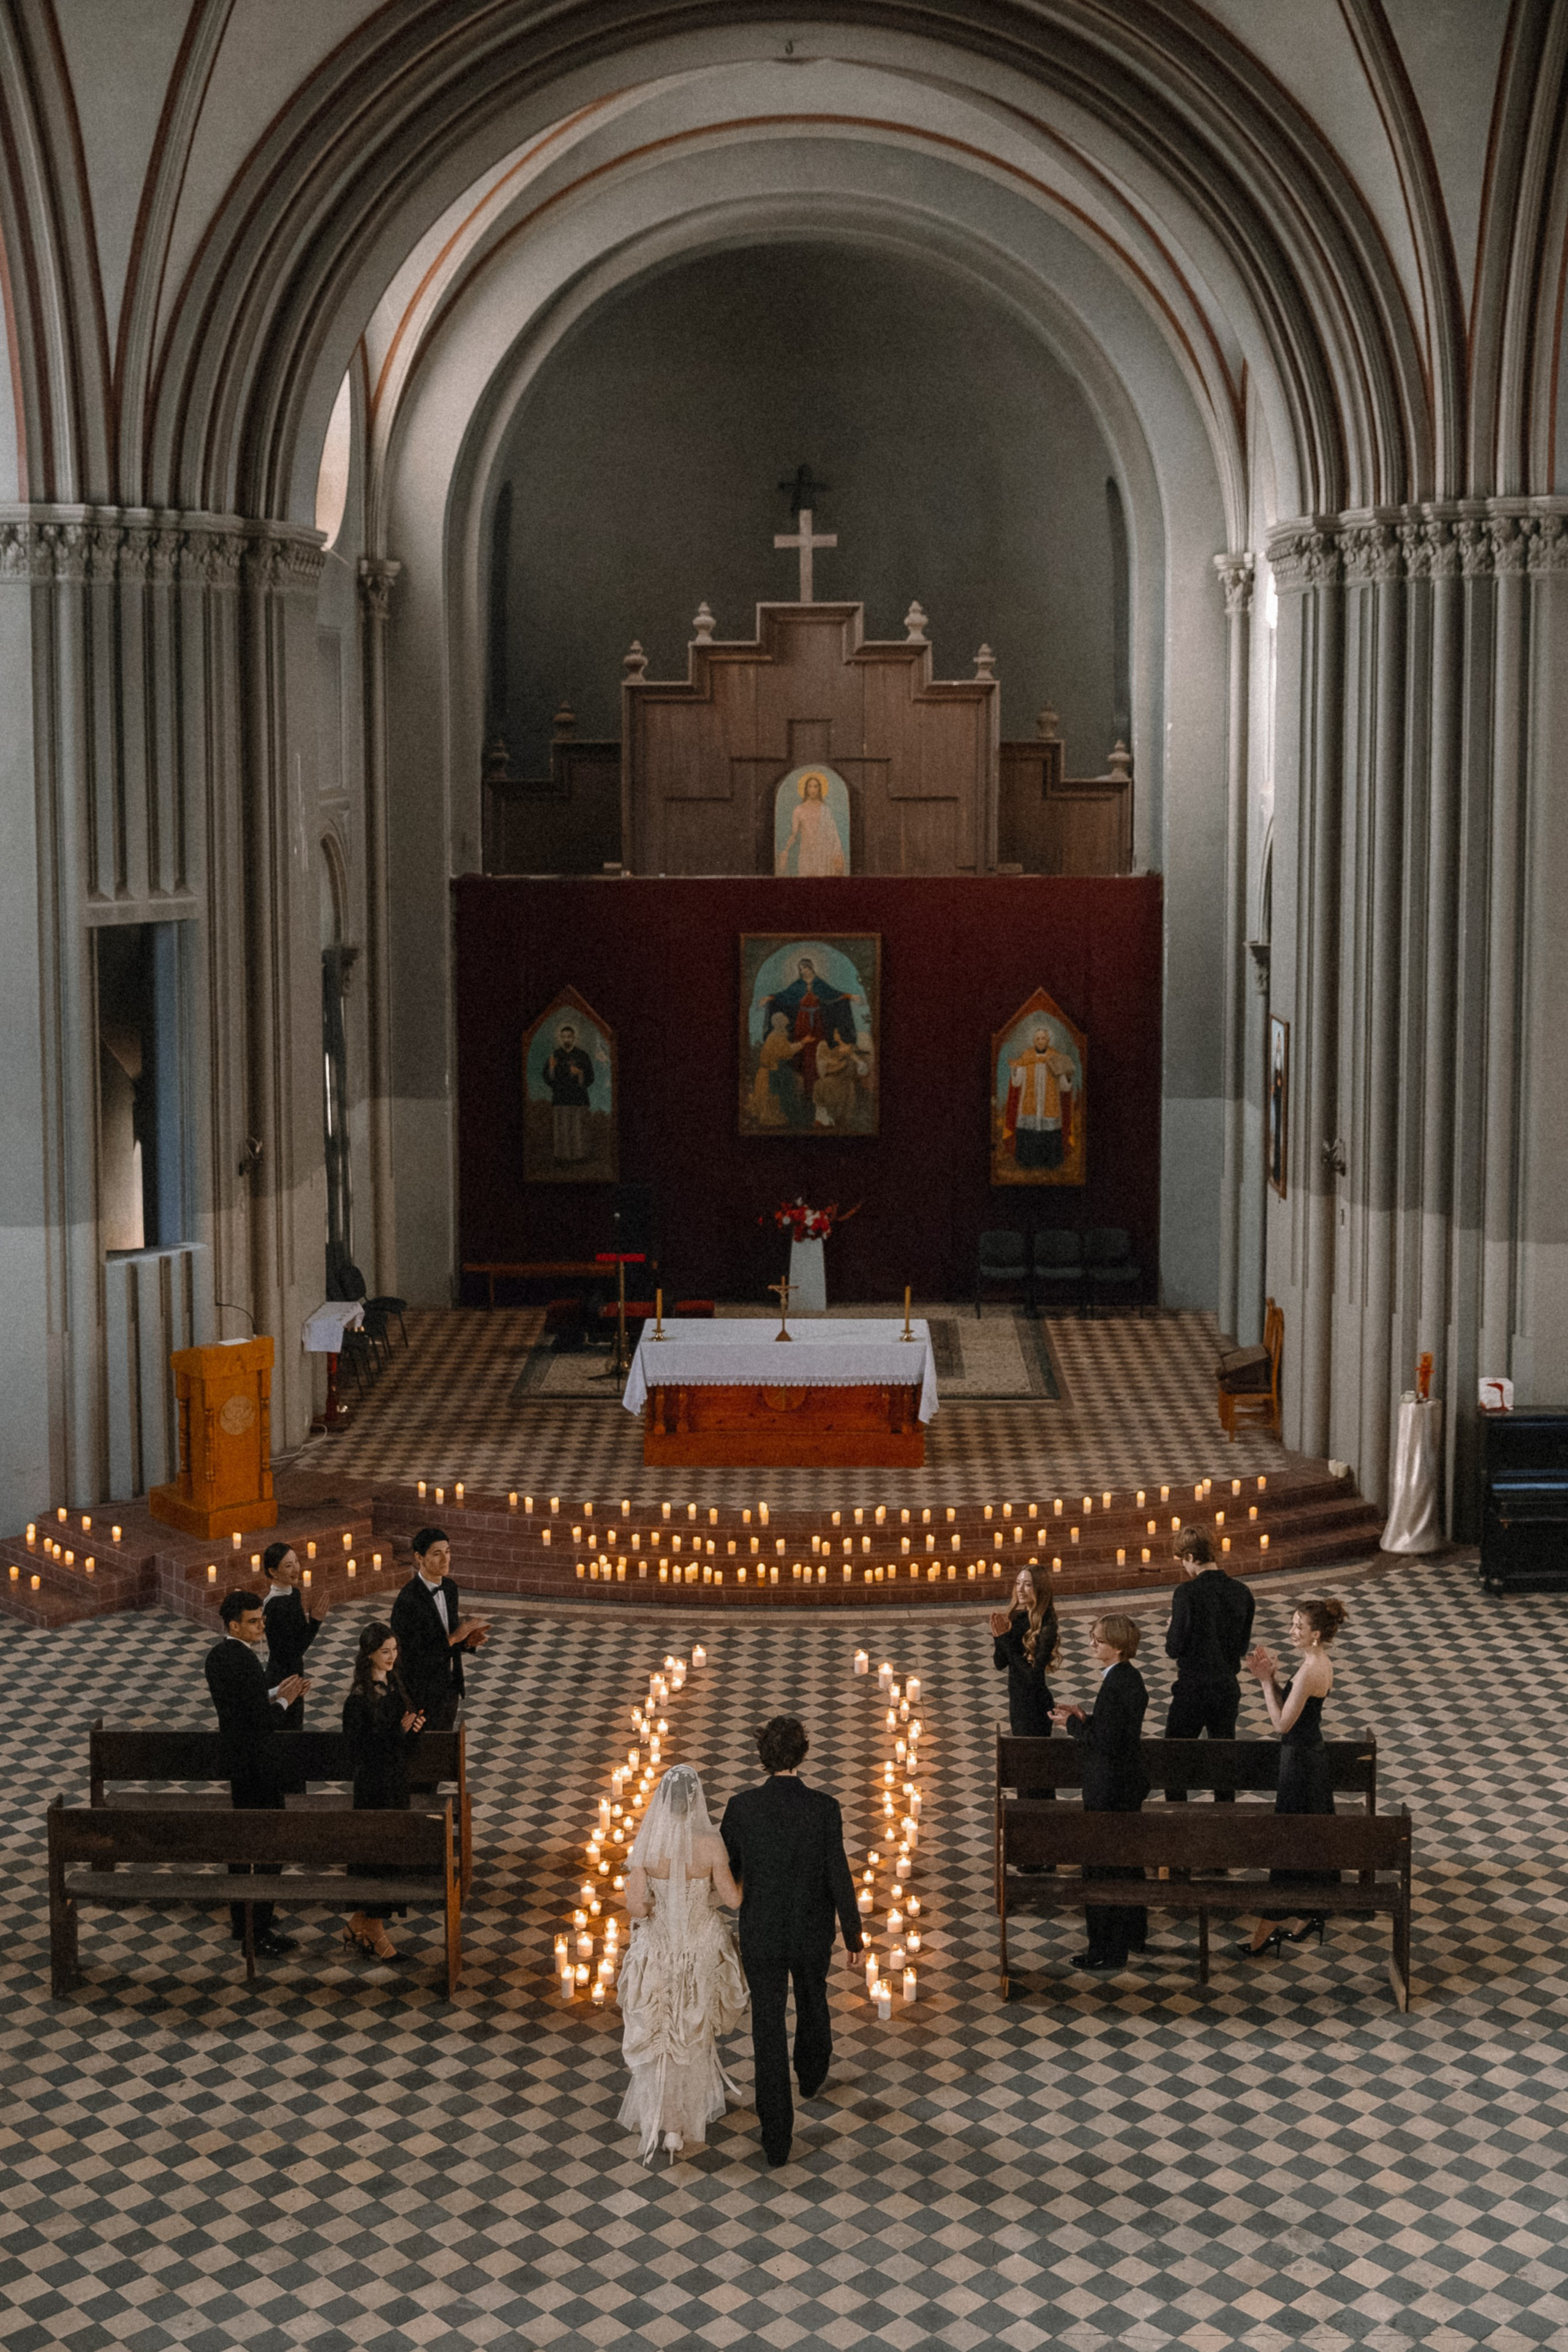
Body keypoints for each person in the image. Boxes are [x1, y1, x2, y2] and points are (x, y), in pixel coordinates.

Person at [720, 1714, 864, 2168]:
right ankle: (812, 2072)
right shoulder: (824, 1808)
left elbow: (727, 1870)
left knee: (767, 2028)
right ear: (802, 1754)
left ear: (762, 1756)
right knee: (812, 1997)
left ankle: (776, 2136)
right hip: (811, 1929)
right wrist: (853, 1933)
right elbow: (838, 1872)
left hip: (762, 1932)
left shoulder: (741, 1808)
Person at [616, 1764, 748, 2166]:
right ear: (695, 1800)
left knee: (661, 2029)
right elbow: (733, 1900)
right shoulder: (710, 1844)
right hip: (700, 1948)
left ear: (662, 1801)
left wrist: (653, 1905)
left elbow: (637, 1907)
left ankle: (667, 2119)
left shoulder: (648, 1844)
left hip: (658, 1949)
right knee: (691, 2029)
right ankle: (683, 2120)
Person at [1239, 1592, 1347, 1954]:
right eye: (1292, 1624)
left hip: (1300, 1763)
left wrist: (1265, 1682)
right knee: (1308, 1840)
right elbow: (1297, 1715)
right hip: (1309, 1757)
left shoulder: (1310, 1671)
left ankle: (1269, 1930)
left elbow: (1282, 1724)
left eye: (1299, 1626)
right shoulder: (1320, 1663)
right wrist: (1273, 1678)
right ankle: (1309, 1915)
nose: (1292, 1631)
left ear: (1316, 1634)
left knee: (1290, 1842)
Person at [203, 1588, 309, 1955]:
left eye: (261, 1619)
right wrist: (285, 1701)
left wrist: (274, 1690)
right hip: (259, 1766)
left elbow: (241, 1706)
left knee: (240, 1845)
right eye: (253, 1621)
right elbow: (261, 1722)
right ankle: (259, 1931)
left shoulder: (218, 1657)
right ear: (234, 1625)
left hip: (236, 1763)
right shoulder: (246, 1660)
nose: (261, 1626)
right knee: (269, 1846)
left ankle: (242, 1920)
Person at [1052, 1613, 1150, 1970]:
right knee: (1126, 1865)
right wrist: (1085, 1718)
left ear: (1119, 1647)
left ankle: (1106, 1950)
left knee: (1101, 1870)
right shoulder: (1128, 1678)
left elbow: (1107, 1743)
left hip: (1110, 1790)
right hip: (1124, 1786)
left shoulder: (1118, 1683)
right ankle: (1134, 1934)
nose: (1092, 1644)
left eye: (1099, 1640)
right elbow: (1116, 1731)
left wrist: (1073, 1726)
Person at [341, 1620, 426, 1963]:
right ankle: (375, 1935)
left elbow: (402, 1745)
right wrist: (398, 1734)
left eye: (394, 1650)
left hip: (395, 1786)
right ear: (369, 1655)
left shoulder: (394, 1685)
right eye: (385, 1652)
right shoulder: (358, 1700)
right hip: (373, 1791)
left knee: (389, 1858)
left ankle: (356, 1925)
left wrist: (413, 1730)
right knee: (376, 1859)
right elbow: (359, 1754)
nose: (392, 1657)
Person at [1163, 1531, 1255, 1801]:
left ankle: (1176, 1815)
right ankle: (1225, 1815)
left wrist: (1172, 1628)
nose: (1184, 1566)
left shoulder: (1186, 1593)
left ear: (1191, 1556)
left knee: (1174, 1760)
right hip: (1226, 1688)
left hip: (1192, 1689)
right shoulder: (1242, 1592)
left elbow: (1173, 1649)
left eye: (1183, 1560)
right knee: (1224, 1764)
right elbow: (1241, 1647)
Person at [388, 1528, 490, 1729]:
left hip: (449, 1687)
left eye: (448, 1552)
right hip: (420, 1693)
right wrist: (454, 1638)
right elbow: (412, 1655)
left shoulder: (450, 1588)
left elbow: (447, 1636)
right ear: (419, 1558)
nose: (445, 1560)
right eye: (437, 1554)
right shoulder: (408, 1601)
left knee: (447, 1742)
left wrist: (466, 1642)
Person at [989, 1563, 1060, 1737]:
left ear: (1040, 1588)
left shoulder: (1047, 1626)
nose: (1020, 1590)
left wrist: (1005, 1640)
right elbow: (1000, 1663)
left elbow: (1033, 1677)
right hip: (1018, 1703)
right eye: (1018, 1583)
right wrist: (999, 1636)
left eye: (1028, 1584)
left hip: (1035, 1705)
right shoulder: (1018, 1618)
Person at [262, 1541, 325, 1728]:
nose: (296, 1569)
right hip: (281, 1675)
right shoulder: (275, 1606)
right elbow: (293, 1650)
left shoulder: (294, 1594)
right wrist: (316, 1622)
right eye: (288, 1565)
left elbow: (300, 1637)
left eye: (296, 1562)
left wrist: (313, 1623)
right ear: (273, 1571)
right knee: (286, 1729)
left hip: (295, 1670)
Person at [1003, 1023, 1076, 1171]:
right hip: (1029, 1106)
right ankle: (1027, 1162)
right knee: (1029, 1133)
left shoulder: (1056, 1057)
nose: (1041, 1041)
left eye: (1044, 1038)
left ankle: (1050, 1163)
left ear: (1048, 1040)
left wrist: (1068, 1077)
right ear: (1034, 1040)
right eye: (1038, 1038)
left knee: (1049, 1134)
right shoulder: (1027, 1056)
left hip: (1050, 1107)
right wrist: (1015, 1069)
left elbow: (1064, 1087)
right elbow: (1017, 1082)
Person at [542, 1021, 596, 1163]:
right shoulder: (555, 1055)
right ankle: (562, 1158)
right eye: (564, 1037)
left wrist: (580, 1073)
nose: (567, 1040)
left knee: (578, 1128)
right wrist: (552, 1068)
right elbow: (547, 1078)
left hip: (578, 1098)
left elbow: (591, 1077)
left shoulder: (583, 1055)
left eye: (569, 1037)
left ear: (574, 1038)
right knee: (562, 1128)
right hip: (561, 1098)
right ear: (560, 1038)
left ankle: (579, 1157)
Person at [776, 770, 846, 876]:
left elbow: (833, 835)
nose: (813, 790)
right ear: (806, 789)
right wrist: (786, 850)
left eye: (816, 787)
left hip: (823, 853)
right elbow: (794, 834)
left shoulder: (826, 810)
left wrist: (837, 854)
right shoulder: (799, 810)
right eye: (810, 787)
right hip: (806, 852)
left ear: (820, 789)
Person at [750, 1011, 807, 1127]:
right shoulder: (776, 1036)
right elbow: (786, 1052)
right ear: (780, 1023)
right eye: (784, 1019)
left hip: (772, 1069)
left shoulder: (777, 1035)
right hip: (769, 1072)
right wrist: (802, 1043)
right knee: (791, 1083)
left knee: (793, 1079)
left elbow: (786, 1048)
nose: (786, 1020)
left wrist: (801, 1043)